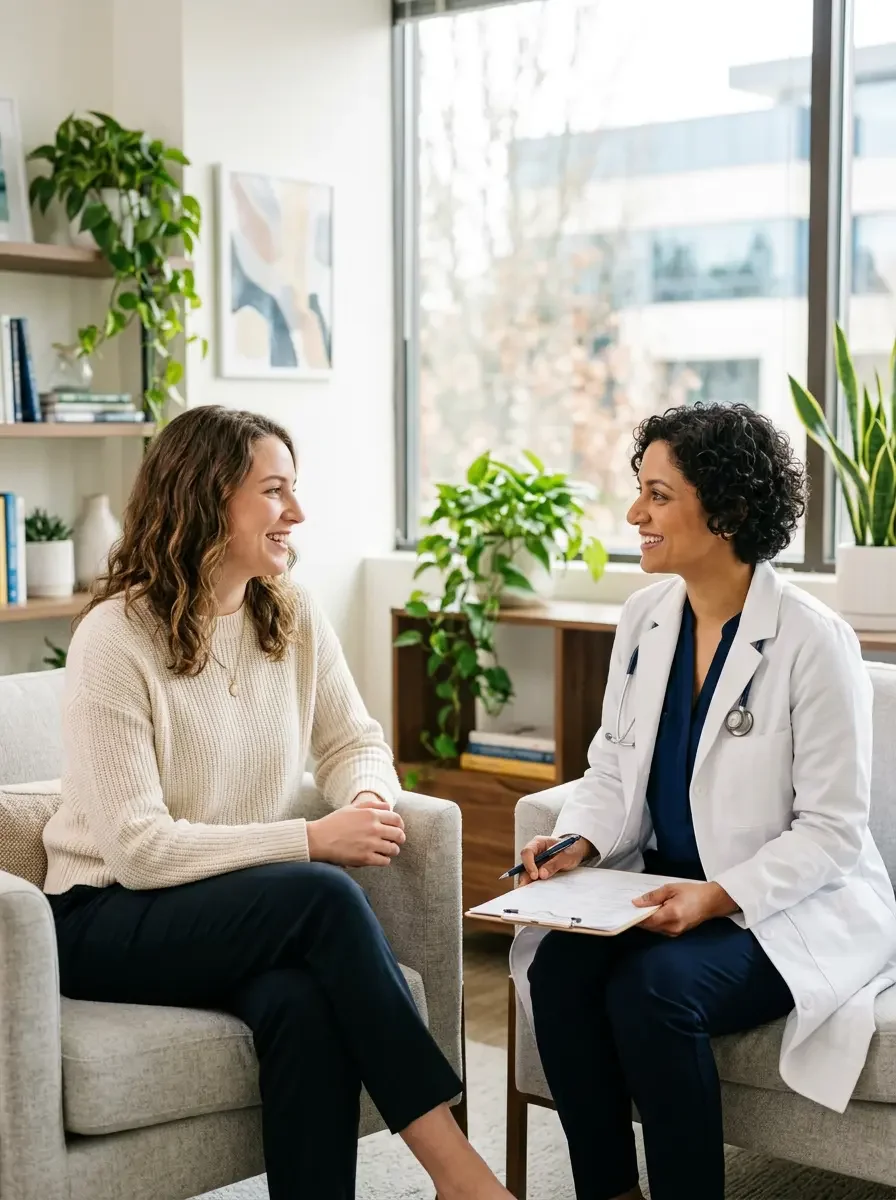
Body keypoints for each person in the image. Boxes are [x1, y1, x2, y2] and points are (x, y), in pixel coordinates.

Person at [43, 405, 512, 1200]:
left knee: (301, 1001)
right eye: (273, 492)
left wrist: (365, 798)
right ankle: (458, 1172)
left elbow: (354, 741)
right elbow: (139, 849)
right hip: (105, 915)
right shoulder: (114, 639)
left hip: (231, 910)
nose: (296, 514)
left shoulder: (289, 612)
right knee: (323, 895)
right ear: (205, 498)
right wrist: (313, 839)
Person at [513, 403, 896, 1200]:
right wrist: (578, 842)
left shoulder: (814, 640)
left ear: (727, 510)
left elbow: (832, 832)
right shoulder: (645, 617)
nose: (634, 514)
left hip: (785, 906)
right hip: (655, 890)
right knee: (558, 970)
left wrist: (716, 896)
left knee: (651, 994)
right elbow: (613, 766)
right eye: (638, 490)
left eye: (657, 495)